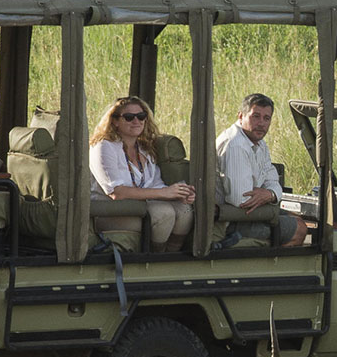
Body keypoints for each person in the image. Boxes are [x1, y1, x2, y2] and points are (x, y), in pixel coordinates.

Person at [89, 96, 194, 252]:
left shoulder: (144, 148)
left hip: (143, 205)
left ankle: (170, 255)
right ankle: (153, 259)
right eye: (129, 117)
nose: (136, 121)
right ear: (115, 121)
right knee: (163, 213)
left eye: (141, 116)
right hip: (112, 210)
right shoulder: (104, 146)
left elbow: (155, 185)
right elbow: (116, 192)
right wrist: (165, 193)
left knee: (184, 210)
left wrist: (179, 193)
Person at [214, 93, 307, 247]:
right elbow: (240, 201)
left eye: (266, 118)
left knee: (295, 217)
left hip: (248, 214)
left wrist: (269, 194)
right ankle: (271, 265)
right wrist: (269, 195)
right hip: (230, 221)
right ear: (241, 116)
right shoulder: (236, 145)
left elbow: (273, 181)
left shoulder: (259, 143)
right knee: (299, 229)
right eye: (255, 116)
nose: (261, 123)